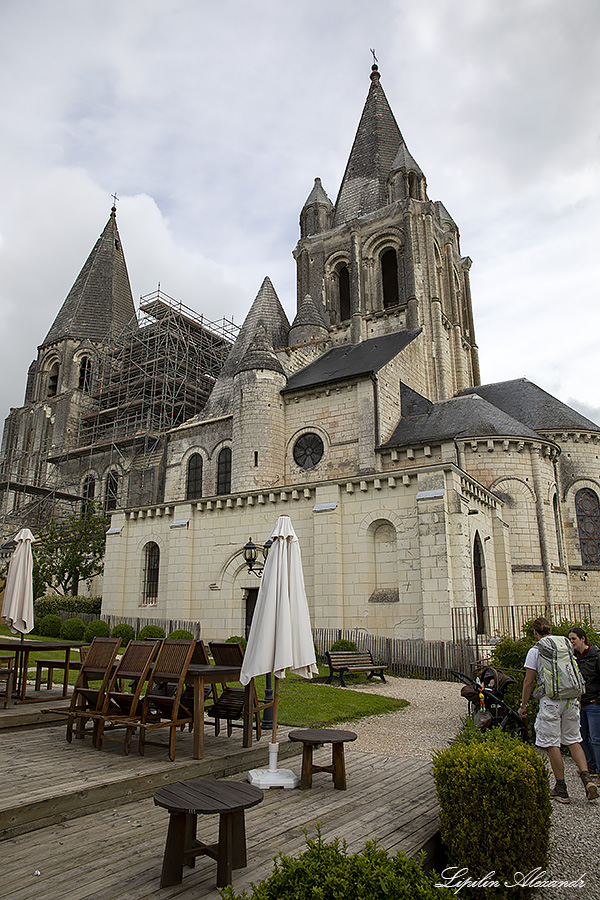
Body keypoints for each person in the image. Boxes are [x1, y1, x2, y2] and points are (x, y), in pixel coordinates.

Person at [519, 617, 598, 803]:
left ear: (535, 633)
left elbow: (529, 680)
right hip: (570, 698)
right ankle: (586, 778)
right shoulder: (564, 644)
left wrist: (523, 705)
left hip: (551, 700)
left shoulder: (536, 650)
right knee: (573, 739)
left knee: (553, 742)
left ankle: (561, 787)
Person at [568, 626, 600, 782]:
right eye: (570, 639)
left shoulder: (596, 656)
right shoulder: (573, 658)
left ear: (583, 639)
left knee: (596, 739)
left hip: (594, 703)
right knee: (582, 738)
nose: (571, 642)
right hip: (580, 703)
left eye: (574, 639)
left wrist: (597, 699)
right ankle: (590, 766)